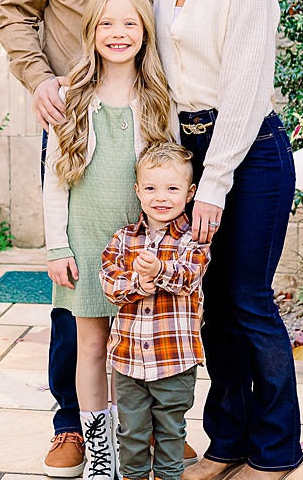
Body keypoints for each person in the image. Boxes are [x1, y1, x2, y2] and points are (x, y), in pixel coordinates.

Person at [0, 0, 168, 476]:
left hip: (155, 124)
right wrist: (38, 79)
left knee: (155, 276)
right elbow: (15, 12)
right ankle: (73, 427)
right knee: (76, 283)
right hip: (76, 126)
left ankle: (146, 426)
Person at [151, 0, 303, 480]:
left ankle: (276, 451)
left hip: (250, 151)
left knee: (247, 299)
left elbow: (244, 92)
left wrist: (212, 185)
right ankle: (227, 443)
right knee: (211, 305)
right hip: (189, 149)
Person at [44, 0, 176, 480]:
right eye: (107, 24)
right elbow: (55, 181)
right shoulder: (71, 98)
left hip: (141, 251)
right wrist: (57, 246)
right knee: (91, 348)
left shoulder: (160, 99)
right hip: (86, 244)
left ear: (145, 33)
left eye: (130, 24)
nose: (118, 34)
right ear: (90, 31)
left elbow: (172, 176)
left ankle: (137, 446)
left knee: (137, 350)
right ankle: (99, 455)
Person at [100, 142, 210, 480]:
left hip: (175, 359)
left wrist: (159, 270)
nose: (160, 197)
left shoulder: (194, 239)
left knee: (170, 430)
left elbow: (189, 276)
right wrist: (139, 282)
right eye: (151, 188)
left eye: (172, 188)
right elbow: (109, 281)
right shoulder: (123, 239)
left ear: (190, 193)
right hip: (128, 360)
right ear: (137, 190)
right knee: (131, 432)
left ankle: (167, 476)